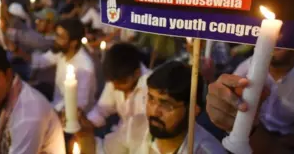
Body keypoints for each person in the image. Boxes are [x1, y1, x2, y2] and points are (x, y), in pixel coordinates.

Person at [75, 61, 226, 153]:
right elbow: (102, 151)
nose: (154, 111)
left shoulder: (206, 150)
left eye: (166, 105)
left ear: (193, 110)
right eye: (151, 99)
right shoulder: (137, 126)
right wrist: (84, 132)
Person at [206, 48, 294, 154]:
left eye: (285, 39)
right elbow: (229, 103)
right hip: (251, 135)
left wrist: (280, 141)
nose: (276, 42)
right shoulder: (248, 67)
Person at [31, 18, 97, 111]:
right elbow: (41, 61)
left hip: (74, 116)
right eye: (56, 35)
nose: (56, 40)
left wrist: (51, 113)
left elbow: (80, 103)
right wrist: (16, 50)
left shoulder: (85, 67)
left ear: (73, 43)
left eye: (60, 37)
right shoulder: (61, 51)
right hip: (55, 106)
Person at [86, 43, 151, 129]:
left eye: (121, 83)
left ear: (137, 74)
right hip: (121, 133)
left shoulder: (151, 87)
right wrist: (86, 123)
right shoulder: (116, 78)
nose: (115, 88)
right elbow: (102, 109)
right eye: (113, 83)